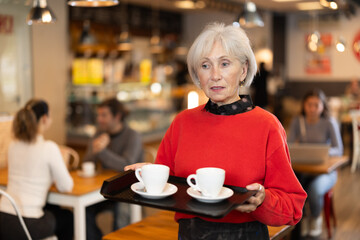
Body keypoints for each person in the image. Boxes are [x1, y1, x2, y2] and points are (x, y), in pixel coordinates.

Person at [125, 22, 307, 240]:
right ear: (197, 74)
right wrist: (149, 177)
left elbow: (292, 208)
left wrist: (263, 200)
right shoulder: (182, 122)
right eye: (205, 65)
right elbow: (169, 186)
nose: (214, 75)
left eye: (225, 63)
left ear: (244, 70)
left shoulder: (267, 125)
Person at [0, 99, 74, 240]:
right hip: (28, 224)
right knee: (67, 218)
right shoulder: (49, 148)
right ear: (45, 119)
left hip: (3, 218)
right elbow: (66, 186)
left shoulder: (13, 146)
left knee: (53, 211)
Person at [83, 97, 143, 240]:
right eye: (98, 115)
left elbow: (127, 166)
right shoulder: (99, 133)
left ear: (117, 116)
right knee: (83, 211)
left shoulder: (132, 136)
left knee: (121, 211)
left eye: (104, 115)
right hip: (105, 189)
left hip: (129, 190)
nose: (99, 119)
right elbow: (86, 162)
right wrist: (95, 149)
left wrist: (102, 152)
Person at [288, 89, 343, 238]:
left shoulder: (329, 122)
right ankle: (300, 220)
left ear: (323, 106)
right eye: (309, 104)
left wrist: (324, 152)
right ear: (304, 105)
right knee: (293, 187)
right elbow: (289, 146)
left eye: (316, 105)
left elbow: (338, 149)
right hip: (304, 169)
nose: (312, 108)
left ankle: (315, 220)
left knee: (314, 190)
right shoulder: (297, 121)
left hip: (327, 172)